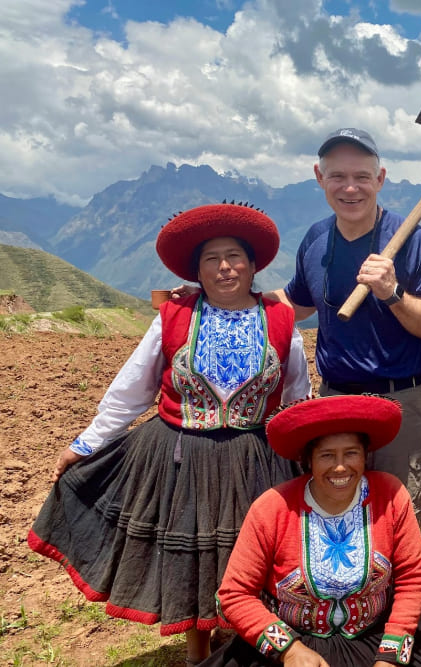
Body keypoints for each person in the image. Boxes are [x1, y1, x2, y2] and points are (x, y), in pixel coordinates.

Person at [27, 202, 311, 664]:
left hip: (256, 458)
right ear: (197, 270)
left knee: (252, 554)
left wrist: (309, 454)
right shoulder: (173, 318)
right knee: (193, 557)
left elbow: (298, 394)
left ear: (254, 264)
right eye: (212, 258)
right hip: (181, 457)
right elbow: (131, 391)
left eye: (235, 255)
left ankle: (248, 643)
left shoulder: (282, 321)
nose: (225, 267)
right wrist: (85, 445)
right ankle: (198, 652)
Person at [203, 394, 421, 667]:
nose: (340, 467)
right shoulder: (272, 508)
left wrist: (391, 657)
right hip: (294, 643)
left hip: (379, 638)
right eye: (327, 455)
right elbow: (234, 595)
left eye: (351, 453)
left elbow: (412, 578)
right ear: (308, 460)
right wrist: (289, 650)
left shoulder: (391, 495)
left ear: (365, 455)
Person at [275, 128, 421, 527]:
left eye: (361, 177)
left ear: (381, 179)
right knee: (333, 513)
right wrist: (222, 297)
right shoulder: (316, 239)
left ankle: (398, 592)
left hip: (398, 404)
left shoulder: (416, 242)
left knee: (396, 518)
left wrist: (392, 293)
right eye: (337, 176)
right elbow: (296, 303)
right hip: (334, 402)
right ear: (319, 178)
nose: (349, 188)